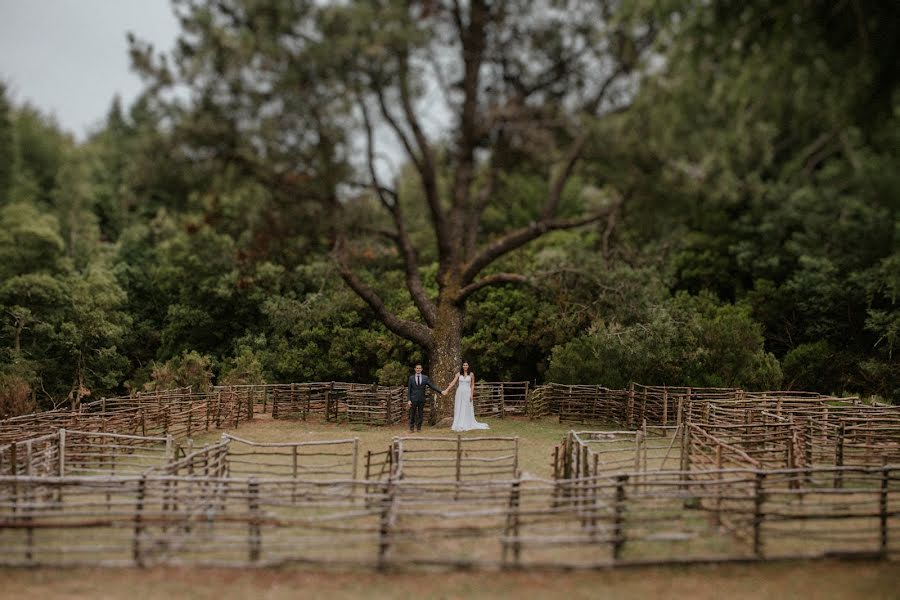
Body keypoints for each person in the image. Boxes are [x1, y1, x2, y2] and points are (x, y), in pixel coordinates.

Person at [443, 361, 489, 432]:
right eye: (464, 365)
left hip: (467, 392)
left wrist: (471, 394)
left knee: (467, 407)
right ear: (462, 366)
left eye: (466, 365)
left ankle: (467, 423)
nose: (465, 366)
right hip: (460, 392)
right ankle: (458, 423)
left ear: (468, 366)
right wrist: (447, 389)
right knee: (459, 406)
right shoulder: (458, 374)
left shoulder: (471, 374)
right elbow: (453, 382)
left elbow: (473, 385)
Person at [407, 363, 444, 433]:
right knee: (412, 414)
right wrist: (409, 400)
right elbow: (409, 390)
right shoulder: (411, 378)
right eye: (417, 368)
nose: (418, 369)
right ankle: (411, 428)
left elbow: (432, 386)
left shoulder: (425, 378)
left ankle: (419, 428)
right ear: (415, 369)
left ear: (421, 369)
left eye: (419, 368)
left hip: (421, 399)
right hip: (413, 399)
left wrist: (441, 391)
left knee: (420, 414)